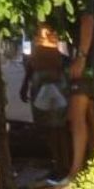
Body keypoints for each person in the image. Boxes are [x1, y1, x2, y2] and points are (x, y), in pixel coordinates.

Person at [48, 0, 94, 187]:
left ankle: (75, 173)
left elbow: (88, 21)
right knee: (90, 114)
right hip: (89, 61)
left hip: (84, 63)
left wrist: (80, 57)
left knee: (77, 117)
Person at [19, 23, 71, 180]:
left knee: (58, 130)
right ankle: (59, 164)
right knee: (50, 130)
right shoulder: (38, 53)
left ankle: (64, 165)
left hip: (54, 92)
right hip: (42, 91)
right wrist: (24, 86)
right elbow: (30, 68)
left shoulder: (58, 53)